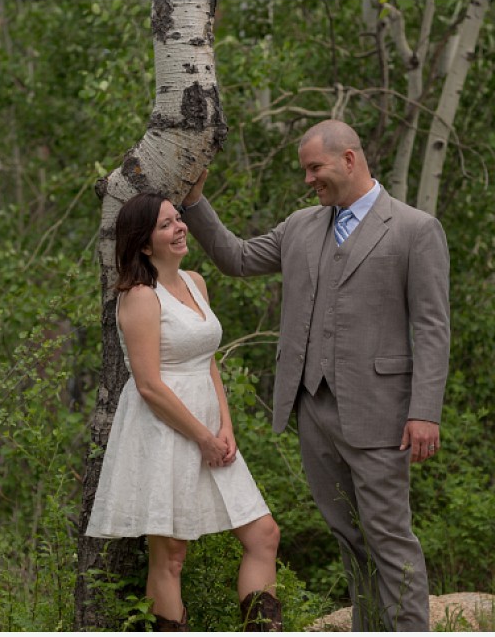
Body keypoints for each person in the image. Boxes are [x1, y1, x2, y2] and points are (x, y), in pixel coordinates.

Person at [178, 119, 450, 632]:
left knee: (388, 536)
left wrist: (424, 412)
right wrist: (194, 201)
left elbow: (433, 328)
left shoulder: (415, 229)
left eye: (314, 168)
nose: (308, 180)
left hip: (382, 415)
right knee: (349, 537)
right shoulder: (301, 226)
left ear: (349, 159)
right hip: (312, 409)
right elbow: (236, 258)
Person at [85, 192, 283, 632]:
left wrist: (224, 427)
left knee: (264, 534)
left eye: (179, 219)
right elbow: (149, 385)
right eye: (166, 225)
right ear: (142, 242)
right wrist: (202, 437)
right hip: (164, 429)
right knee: (171, 556)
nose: (180, 228)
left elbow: (208, 360)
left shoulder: (196, 282)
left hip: (210, 428)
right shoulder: (139, 296)